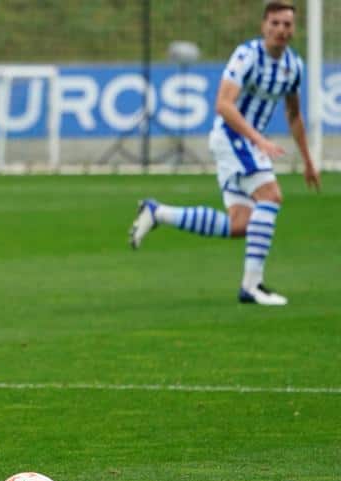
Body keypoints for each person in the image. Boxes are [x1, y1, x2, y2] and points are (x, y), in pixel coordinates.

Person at [129, 0, 320, 305]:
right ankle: (252, 286)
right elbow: (223, 104)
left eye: (287, 24)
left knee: (240, 224)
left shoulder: (293, 66)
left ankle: (157, 212)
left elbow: (294, 115)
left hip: (245, 143)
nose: (281, 30)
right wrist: (259, 140)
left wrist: (309, 162)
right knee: (271, 196)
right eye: (275, 23)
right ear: (263, 26)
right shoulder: (247, 56)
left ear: (293, 29)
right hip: (233, 137)